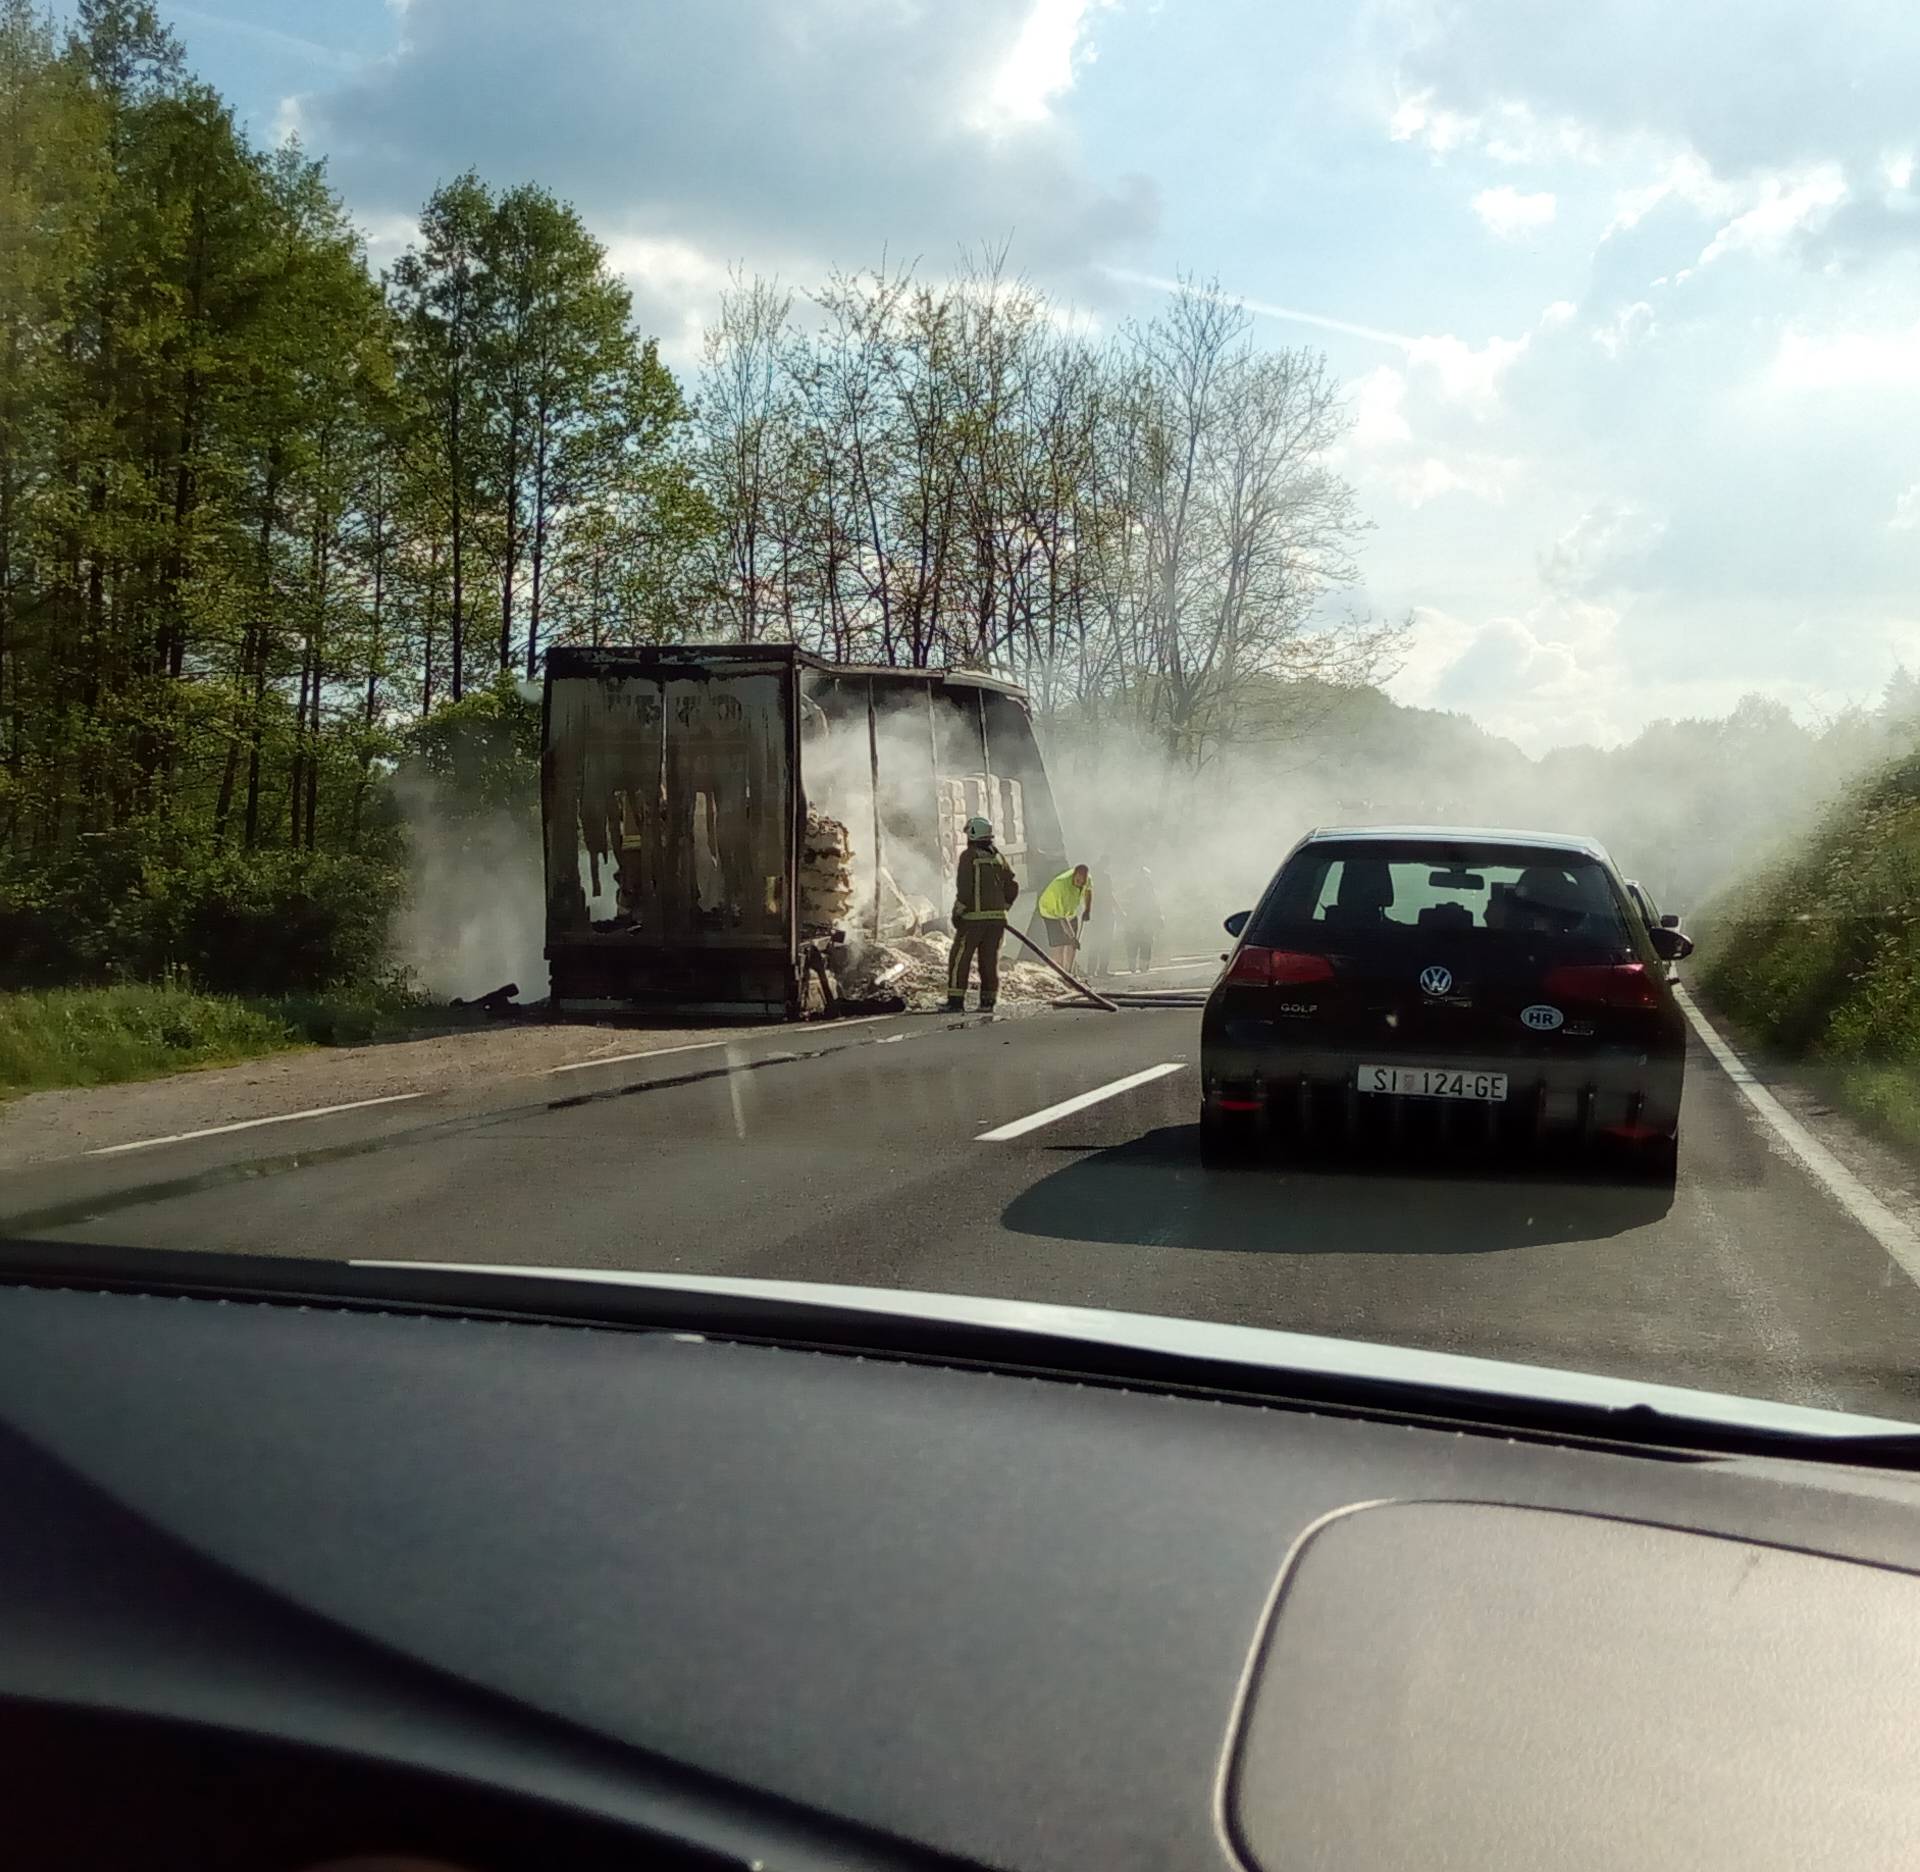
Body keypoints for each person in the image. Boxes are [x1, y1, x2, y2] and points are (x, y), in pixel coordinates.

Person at [947, 815, 1019, 1012]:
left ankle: (955, 1001)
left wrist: (958, 911)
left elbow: (965, 888)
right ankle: (988, 1002)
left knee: (960, 958)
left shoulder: (969, 856)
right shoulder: (998, 857)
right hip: (997, 921)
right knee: (989, 960)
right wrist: (1003, 907)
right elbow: (1012, 886)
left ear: (972, 834)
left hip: (973, 919)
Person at [1037, 863, 1094, 973]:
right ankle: (1059, 973)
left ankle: (1069, 973)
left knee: (1072, 946)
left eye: (1082, 883)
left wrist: (1087, 909)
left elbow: (1088, 891)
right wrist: (1072, 938)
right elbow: (1062, 918)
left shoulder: (1087, 879)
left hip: (1070, 911)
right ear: (1074, 875)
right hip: (1051, 913)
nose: (1079, 885)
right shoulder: (1061, 886)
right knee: (1060, 944)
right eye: (1078, 881)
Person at [1123, 864, 1163, 974]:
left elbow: (1156, 905)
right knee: (1133, 944)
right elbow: (1125, 906)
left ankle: (1143, 966)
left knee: (1146, 944)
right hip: (1134, 922)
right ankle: (1133, 966)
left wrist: (1159, 917)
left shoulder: (1151, 892)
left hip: (1146, 922)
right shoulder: (1131, 891)